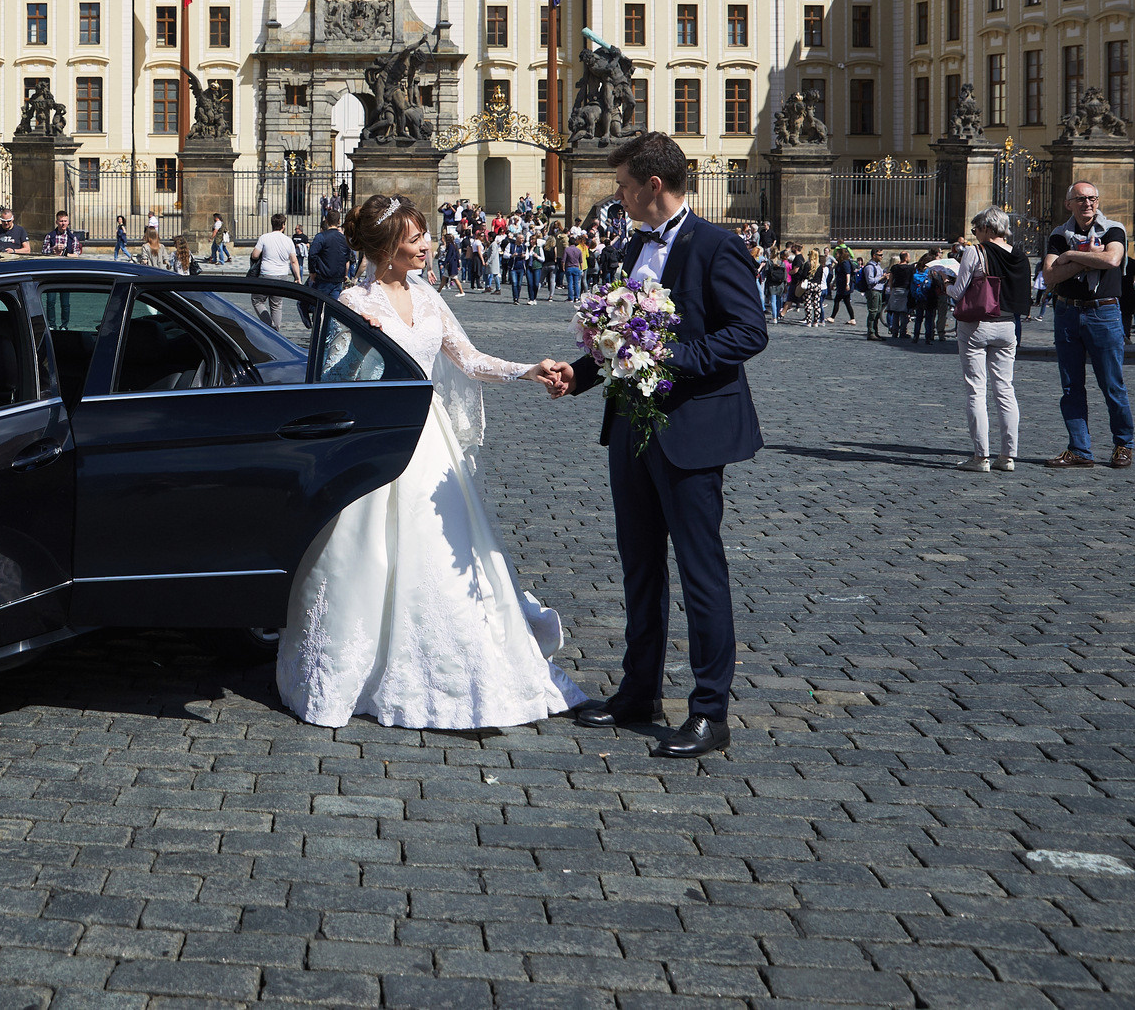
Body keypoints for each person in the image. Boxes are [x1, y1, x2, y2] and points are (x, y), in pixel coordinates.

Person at [276, 195, 586, 731]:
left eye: (425, 235)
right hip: (381, 438)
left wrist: (529, 370)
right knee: (368, 553)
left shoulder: (426, 294)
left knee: (441, 551)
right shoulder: (353, 297)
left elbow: (468, 359)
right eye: (415, 238)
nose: (427, 245)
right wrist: (359, 340)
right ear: (387, 248)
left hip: (429, 438)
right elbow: (333, 376)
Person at [553, 131, 768, 760]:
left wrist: (672, 356)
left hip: (691, 430)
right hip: (629, 424)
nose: (614, 196)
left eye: (620, 185)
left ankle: (709, 710)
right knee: (639, 565)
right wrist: (581, 371)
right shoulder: (628, 247)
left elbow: (747, 334)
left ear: (653, 185)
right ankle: (639, 691)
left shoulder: (717, 246)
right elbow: (619, 336)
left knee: (701, 572)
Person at [1043, 183, 1134, 468]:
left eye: (1092, 198)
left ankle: (1123, 444)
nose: (1088, 204)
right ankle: (1080, 449)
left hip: (1103, 313)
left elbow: (1112, 258)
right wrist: (1088, 260)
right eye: (1080, 199)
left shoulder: (1113, 229)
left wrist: (1070, 257)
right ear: (1068, 203)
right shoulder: (1059, 234)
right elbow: (1049, 276)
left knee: (1112, 385)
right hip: (1067, 312)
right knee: (1071, 386)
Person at [949, 208, 1029, 470]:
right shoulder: (1019, 255)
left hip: (977, 325)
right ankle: (1008, 456)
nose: (975, 234)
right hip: (1007, 326)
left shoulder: (977, 251)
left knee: (976, 390)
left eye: (976, 229)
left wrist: (942, 282)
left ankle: (980, 457)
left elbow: (959, 291)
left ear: (987, 228)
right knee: (1005, 390)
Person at [251, 213, 303, 322]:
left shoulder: (264, 238)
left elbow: (255, 255)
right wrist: (298, 277)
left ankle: (268, 324)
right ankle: (275, 330)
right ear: (283, 225)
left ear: (272, 224)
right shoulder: (288, 240)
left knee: (257, 300)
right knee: (277, 305)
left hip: (267, 273)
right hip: (282, 275)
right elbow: (294, 261)